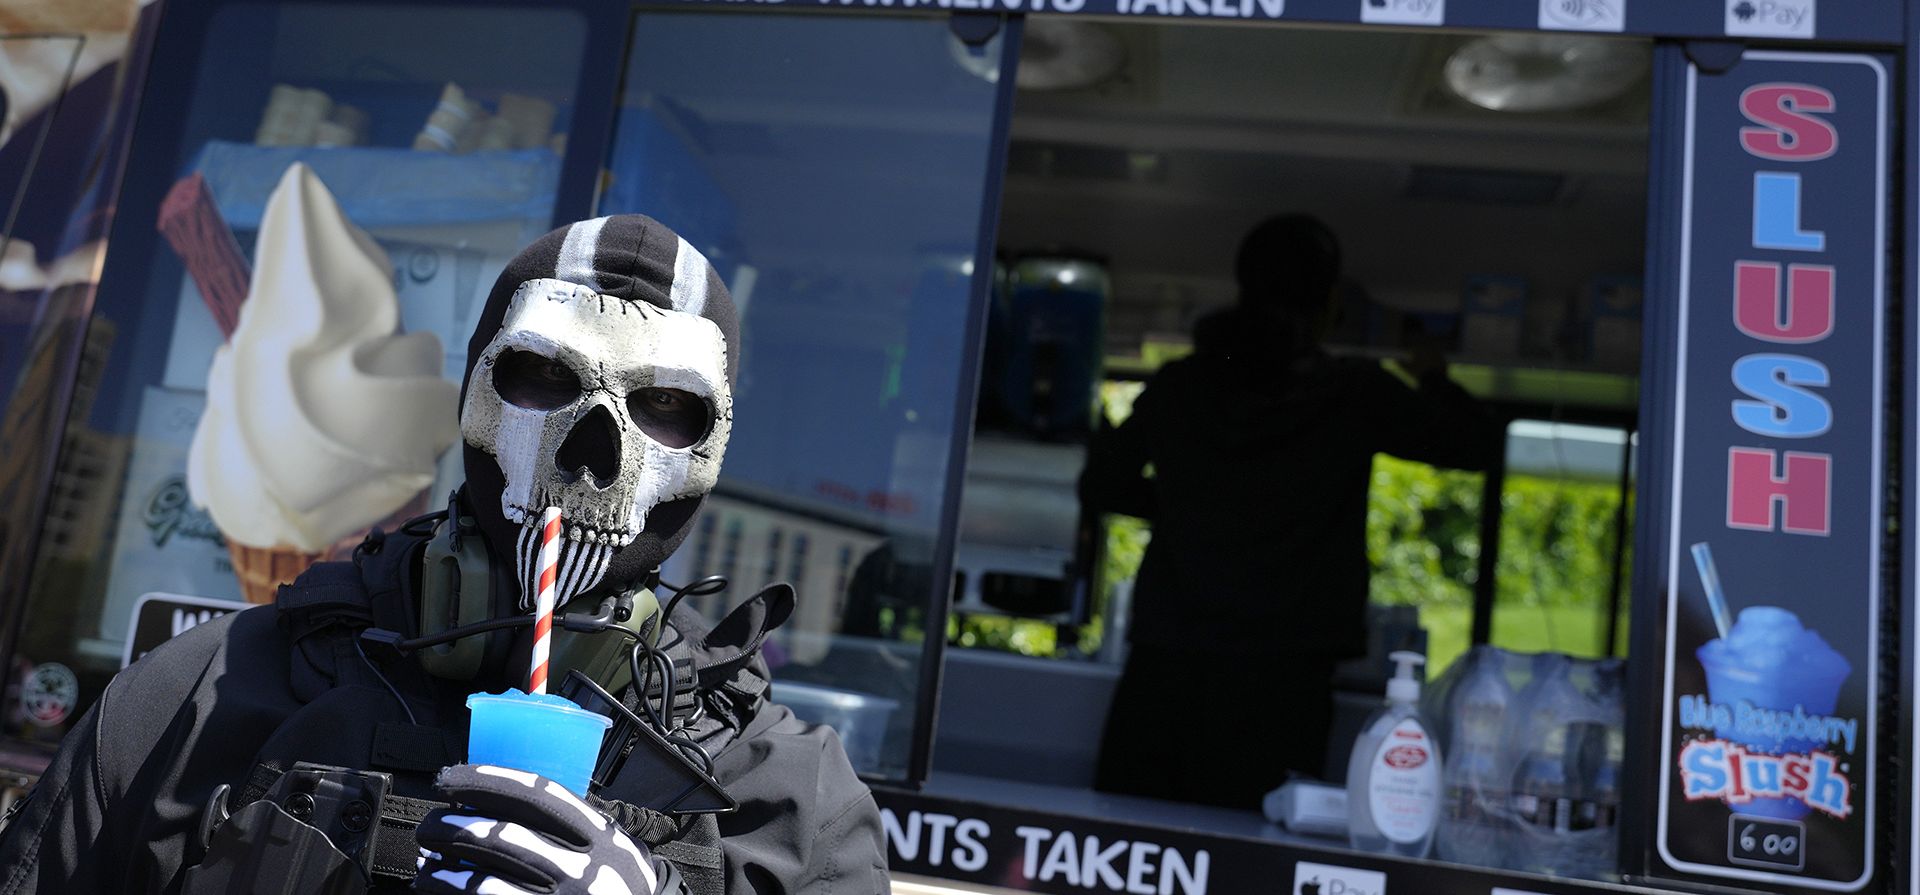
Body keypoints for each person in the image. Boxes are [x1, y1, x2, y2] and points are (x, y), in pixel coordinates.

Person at [0, 214, 889, 893]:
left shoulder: (793, 804)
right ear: (475, 392)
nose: (594, 452)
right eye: (544, 375)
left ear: (711, 450)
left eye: (666, 406)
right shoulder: (191, 703)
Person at [1081, 214, 1500, 810]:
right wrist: (1432, 374)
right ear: (1329, 305)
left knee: (1130, 840)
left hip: (1169, 664)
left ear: (1242, 290)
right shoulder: (1354, 392)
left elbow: (1103, 484)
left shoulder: (1183, 385)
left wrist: (1188, 513)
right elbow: (1474, 445)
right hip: (1284, 676)